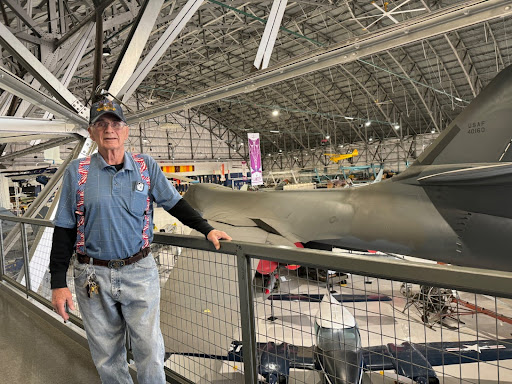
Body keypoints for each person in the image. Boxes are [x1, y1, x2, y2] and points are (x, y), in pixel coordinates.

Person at [49, 98, 231, 384]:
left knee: (149, 349)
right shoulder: (77, 171)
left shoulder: (146, 167)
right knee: (106, 354)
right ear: (91, 131)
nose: (109, 129)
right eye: (101, 124)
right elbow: (64, 228)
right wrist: (58, 283)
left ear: (126, 130)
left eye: (115, 123)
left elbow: (174, 203)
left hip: (140, 271)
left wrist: (206, 228)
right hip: (92, 275)